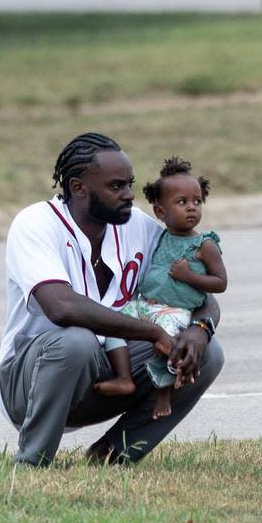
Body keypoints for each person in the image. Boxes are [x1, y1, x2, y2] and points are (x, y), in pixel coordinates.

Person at [0, 132, 223, 467]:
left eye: (130, 183)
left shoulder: (137, 227)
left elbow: (198, 294)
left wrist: (200, 328)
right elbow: (61, 306)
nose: (129, 194)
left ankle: (112, 456)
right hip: (29, 382)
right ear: (78, 187)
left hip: (113, 375)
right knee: (76, 342)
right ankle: (31, 463)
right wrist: (155, 333)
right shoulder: (36, 224)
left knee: (207, 353)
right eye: (116, 186)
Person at [95, 156, 227, 419]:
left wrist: (188, 276)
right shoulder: (160, 236)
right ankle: (123, 377)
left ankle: (163, 394)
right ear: (160, 212)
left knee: (166, 345)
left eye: (197, 201)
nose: (192, 208)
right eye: (182, 202)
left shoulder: (205, 245)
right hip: (147, 305)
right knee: (111, 323)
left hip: (174, 311)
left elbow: (220, 283)